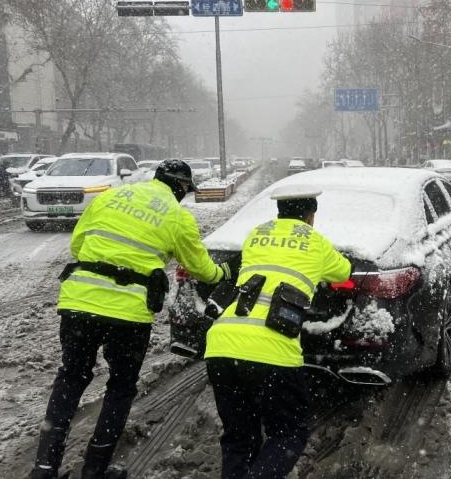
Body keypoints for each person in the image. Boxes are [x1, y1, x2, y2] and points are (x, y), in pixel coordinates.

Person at [29, 159, 232, 479]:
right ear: (181, 187)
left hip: (78, 302)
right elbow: (202, 268)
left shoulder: (110, 197)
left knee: (70, 379)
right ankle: (95, 469)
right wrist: (224, 273)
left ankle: (44, 468)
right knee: (120, 387)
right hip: (128, 314)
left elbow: (78, 244)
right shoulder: (177, 216)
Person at [204, 185, 352, 479]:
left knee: (239, 438)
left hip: (222, 345)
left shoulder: (256, 234)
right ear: (310, 217)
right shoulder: (316, 241)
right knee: (288, 434)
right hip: (273, 351)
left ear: (279, 212)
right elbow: (344, 272)